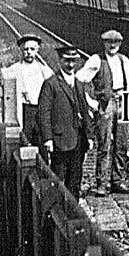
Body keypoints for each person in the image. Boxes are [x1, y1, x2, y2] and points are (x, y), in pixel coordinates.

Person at [76, 30, 129, 196]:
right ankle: (101, 183)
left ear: (120, 44)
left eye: (116, 42)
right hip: (106, 103)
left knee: (122, 143)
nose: (113, 45)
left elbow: (128, 82)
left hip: (123, 100)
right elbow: (79, 79)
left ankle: (118, 180)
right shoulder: (96, 60)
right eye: (109, 42)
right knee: (104, 144)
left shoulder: (124, 60)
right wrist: (90, 102)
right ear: (104, 43)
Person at [37, 47, 93, 198]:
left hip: (78, 140)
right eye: (67, 61)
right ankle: (59, 209)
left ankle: (73, 208)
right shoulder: (51, 83)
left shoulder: (79, 83)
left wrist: (89, 135)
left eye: (73, 61)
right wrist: (48, 138)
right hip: (60, 139)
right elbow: (43, 113)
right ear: (60, 61)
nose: (70, 65)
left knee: (75, 178)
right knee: (59, 178)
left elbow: (85, 110)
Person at [5, 34, 53, 146]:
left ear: (37, 50)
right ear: (21, 50)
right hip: (24, 111)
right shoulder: (14, 69)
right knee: (25, 143)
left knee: (42, 142)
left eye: (32, 49)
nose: (29, 52)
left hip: (41, 111)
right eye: (26, 49)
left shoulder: (44, 70)